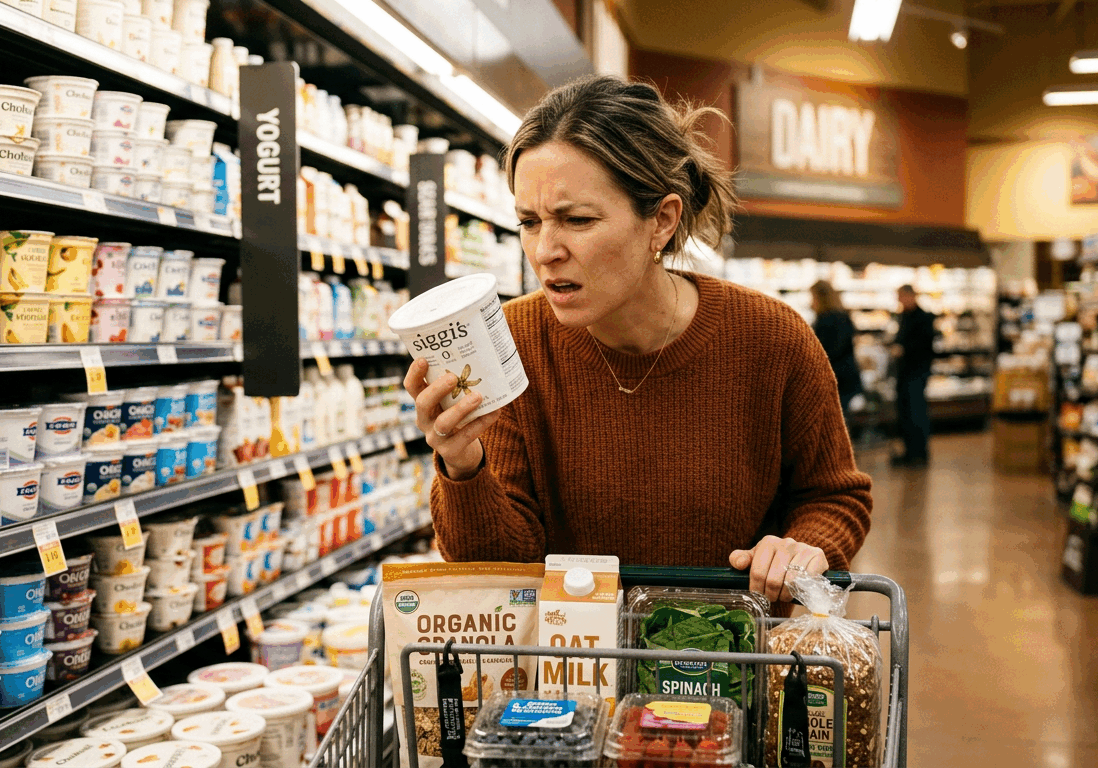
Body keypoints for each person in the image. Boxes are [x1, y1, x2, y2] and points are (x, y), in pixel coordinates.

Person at [403, 75, 872, 604]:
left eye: (576, 219)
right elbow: (502, 574)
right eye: (529, 222)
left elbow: (835, 495)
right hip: (572, 670)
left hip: (731, 663)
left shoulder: (771, 339)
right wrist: (463, 466)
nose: (545, 250)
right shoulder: (510, 344)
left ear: (662, 221)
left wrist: (804, 547)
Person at [892, 284, 936, 466]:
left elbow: (925, 346)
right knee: (906, 412)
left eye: (902, 296)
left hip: (916, 372)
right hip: (904, 372)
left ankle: (919, 452)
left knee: (916, 411)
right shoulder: (904, 316)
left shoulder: (924, 318)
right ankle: (910, 451)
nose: (899, 300)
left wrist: (903, 349)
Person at [809, 280, 863, 418]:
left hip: (837, 377)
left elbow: (830, 350)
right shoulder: (842, 317)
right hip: (845, 376)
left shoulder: (827, 319)